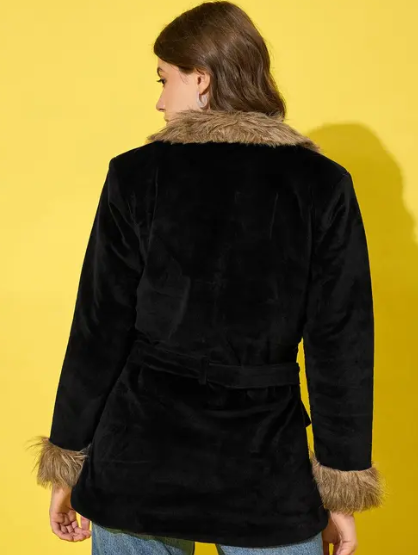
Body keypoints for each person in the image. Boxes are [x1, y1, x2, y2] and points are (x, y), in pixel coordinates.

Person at [28, 2, 385, 554]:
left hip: (138, 459)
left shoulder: (136, 174)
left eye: (163, 79)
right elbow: (341, 345)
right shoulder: (322, 184)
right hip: (264, 467)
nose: (159, 101)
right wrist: (340, 491)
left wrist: (68, 461)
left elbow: (98, 329)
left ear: (201, 78)